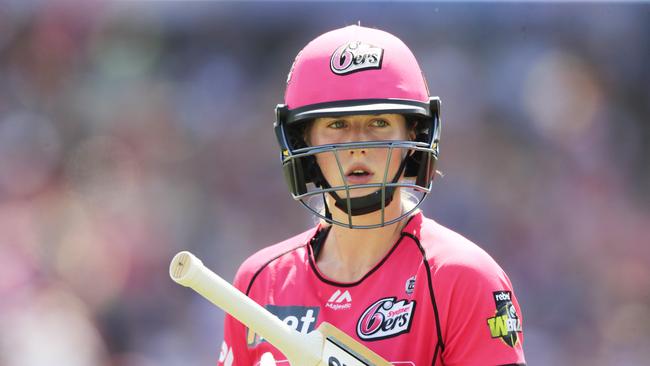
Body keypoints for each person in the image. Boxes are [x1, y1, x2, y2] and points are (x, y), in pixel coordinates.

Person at [218, 25, 526, 366]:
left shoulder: (463, 278)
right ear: (303, 142)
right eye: (337, 125)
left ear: (414, 134)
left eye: (378, 123)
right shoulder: (260, 282)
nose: (358, 146)